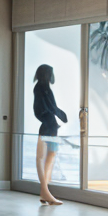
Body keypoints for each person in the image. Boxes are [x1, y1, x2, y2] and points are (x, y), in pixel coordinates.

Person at [31, 64, 67, 206]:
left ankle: (44, 192)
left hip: (51, 127)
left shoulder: (45, 88)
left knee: (50, 157)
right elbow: (41, 110)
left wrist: (59, 114)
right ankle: (45, 191)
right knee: (42, 158)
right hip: (48, 127)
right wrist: (59, 114)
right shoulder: (40, 88)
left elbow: (50, 108)